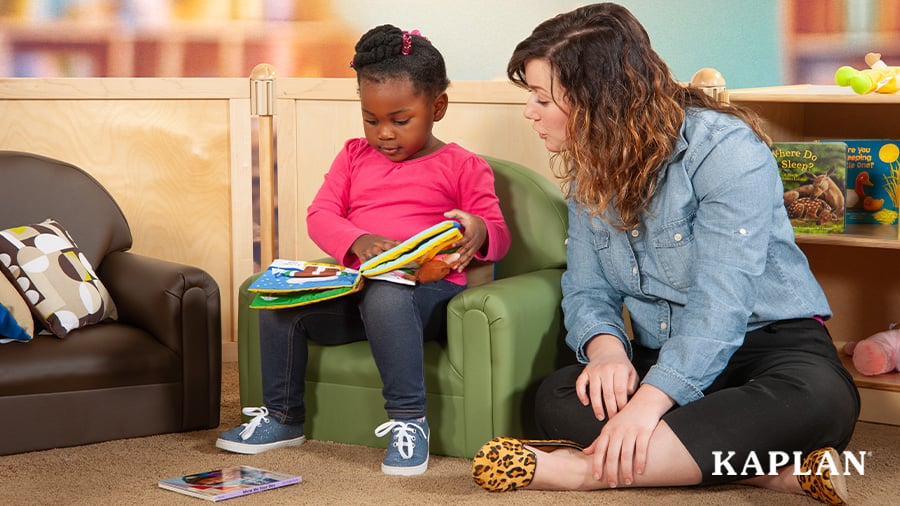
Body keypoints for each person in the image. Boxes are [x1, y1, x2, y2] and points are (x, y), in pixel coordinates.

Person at [470, 4, 859, 505]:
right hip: (661, 352)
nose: (530, 112)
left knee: (818, 401)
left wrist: (649, 404)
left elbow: (721, 306)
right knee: (558, 396)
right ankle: (769, 472)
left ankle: (583, 472)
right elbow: (587, 287)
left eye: (543, 99)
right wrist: (607, 350)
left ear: (599, 100)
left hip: (769, 347)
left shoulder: (727, 151)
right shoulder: (592, 166)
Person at [217, 24, 510, 476]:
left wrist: (477, 229)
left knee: (388, 293)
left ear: (438, 107)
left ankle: (408, 422)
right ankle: (281, 417)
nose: (384, 133)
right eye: (371, 119)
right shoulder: (354, 156)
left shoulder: (462, 166)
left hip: (425, 294)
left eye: (399, 119)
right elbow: (320, 215)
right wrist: (358, 241)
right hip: (359, 286)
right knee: (276, 298)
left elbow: (497, 232)